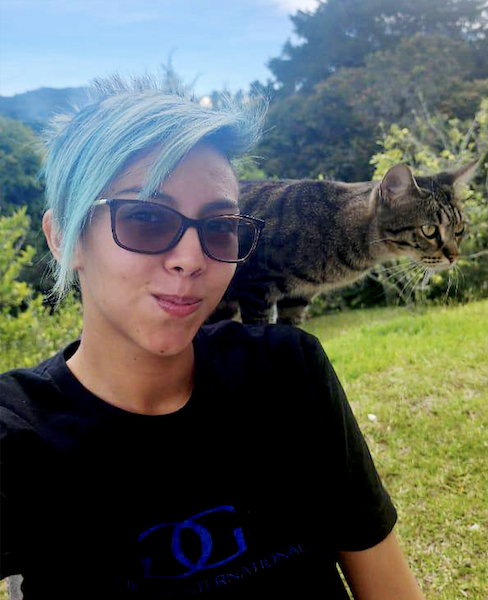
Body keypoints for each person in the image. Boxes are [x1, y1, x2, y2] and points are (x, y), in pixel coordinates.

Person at [0, 75, 425, 599]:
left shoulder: (289, 370)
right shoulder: (17, 434)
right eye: (145, 218)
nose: (192, 259)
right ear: (64, 236)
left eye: (220, 226)